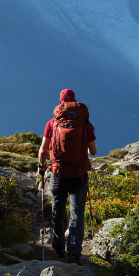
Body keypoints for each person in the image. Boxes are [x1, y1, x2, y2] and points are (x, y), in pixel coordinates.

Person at [37, 88, 97, 263]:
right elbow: (93, 151)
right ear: (75, 102)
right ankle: (74, 253)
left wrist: (41, 167)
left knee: (57, 210)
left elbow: (42, 150)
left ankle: (59, 248)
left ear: (60, 103)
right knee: (77, 213)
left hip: (58, 173)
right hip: (79, 174)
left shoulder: (52, 123)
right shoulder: (85, 124)